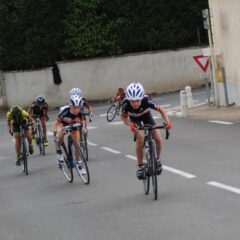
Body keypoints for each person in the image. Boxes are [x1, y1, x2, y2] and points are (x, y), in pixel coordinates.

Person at [121, 82, 172, 180]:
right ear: (129, 100)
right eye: (132, 101)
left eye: (137, 100)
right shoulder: (126, 104)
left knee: (157, 136)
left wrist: (167, 122)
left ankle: (157, 160)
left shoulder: (147, 100)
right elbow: (123, 118)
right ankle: (140, 166)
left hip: (147, 117)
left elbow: (161, 110)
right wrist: (130, 124)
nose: (135, 103)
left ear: (141, 98)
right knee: (140, 138)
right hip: (135, 120)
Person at [53, 94, 86, 173]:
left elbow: (83, 120)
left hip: (73, 125)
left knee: (77, 145)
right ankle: (58, 150)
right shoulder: (65, 112)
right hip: (62, 125)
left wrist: (84, 127)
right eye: (74, 107)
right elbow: (56, 122)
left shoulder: (80, 112)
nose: (76, 110)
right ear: (70, 106)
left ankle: (78, 163)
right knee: (60, 136)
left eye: (78, 107)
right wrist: (55, 131)